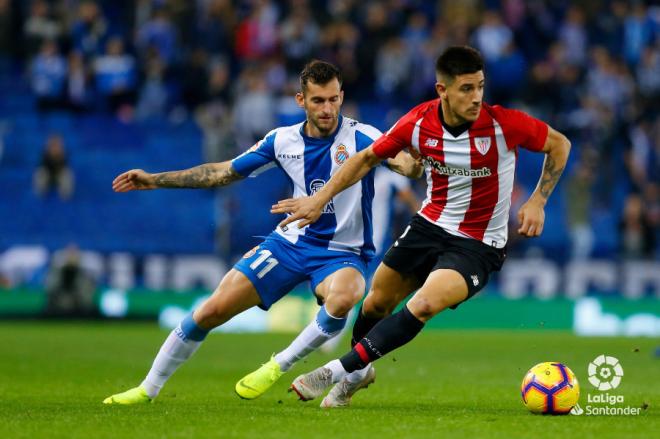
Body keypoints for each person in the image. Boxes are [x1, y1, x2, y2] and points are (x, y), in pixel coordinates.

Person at [103, 60, 422, 405]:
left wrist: (414, 163)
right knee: (211, 310)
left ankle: (278, 365)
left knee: (345, 297)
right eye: (318, 101)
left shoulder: (363, 136)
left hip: (344, 253)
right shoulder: (281, 140)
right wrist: (155, 179)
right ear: (301, 101)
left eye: (333, 99)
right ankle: (147, 389)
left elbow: (400, 162)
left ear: (342, 96)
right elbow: (221, 172)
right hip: (290, 244)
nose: (327, 108)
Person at [272, 46, 571, 407]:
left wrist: (538, 199)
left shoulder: (503, 124)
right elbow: (367, 158)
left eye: (480, 87)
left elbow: (560, 144)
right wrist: (319, 201)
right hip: (428, 227)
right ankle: (358, 376)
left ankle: (334, 372)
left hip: (477, 245)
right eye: (466, 89)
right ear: (442, 90)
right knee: (377, 302)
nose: (476, 97)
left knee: (425, 303)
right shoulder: (417, 122)